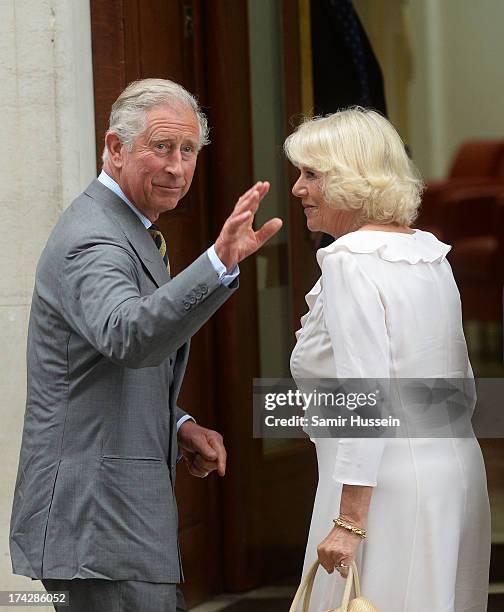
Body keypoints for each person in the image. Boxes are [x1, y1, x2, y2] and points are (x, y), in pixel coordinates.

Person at [10, 78, 282, 612]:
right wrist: (217, 264)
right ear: (115, 148)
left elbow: (94, 366)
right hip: (99, 525)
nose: (177, 168)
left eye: (188, 151)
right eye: (161, 147)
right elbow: (127, 334)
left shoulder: (123, 225)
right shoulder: (95, 237)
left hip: (109, 528)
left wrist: (176, 423)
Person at [285, 107, 491, 611]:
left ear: (352, 180)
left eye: (311, 174)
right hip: (454, 474)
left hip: (382, 493)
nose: (296, 188)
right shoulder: (427, 254)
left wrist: (350, 520)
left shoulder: (350, 262)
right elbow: (458, 389)